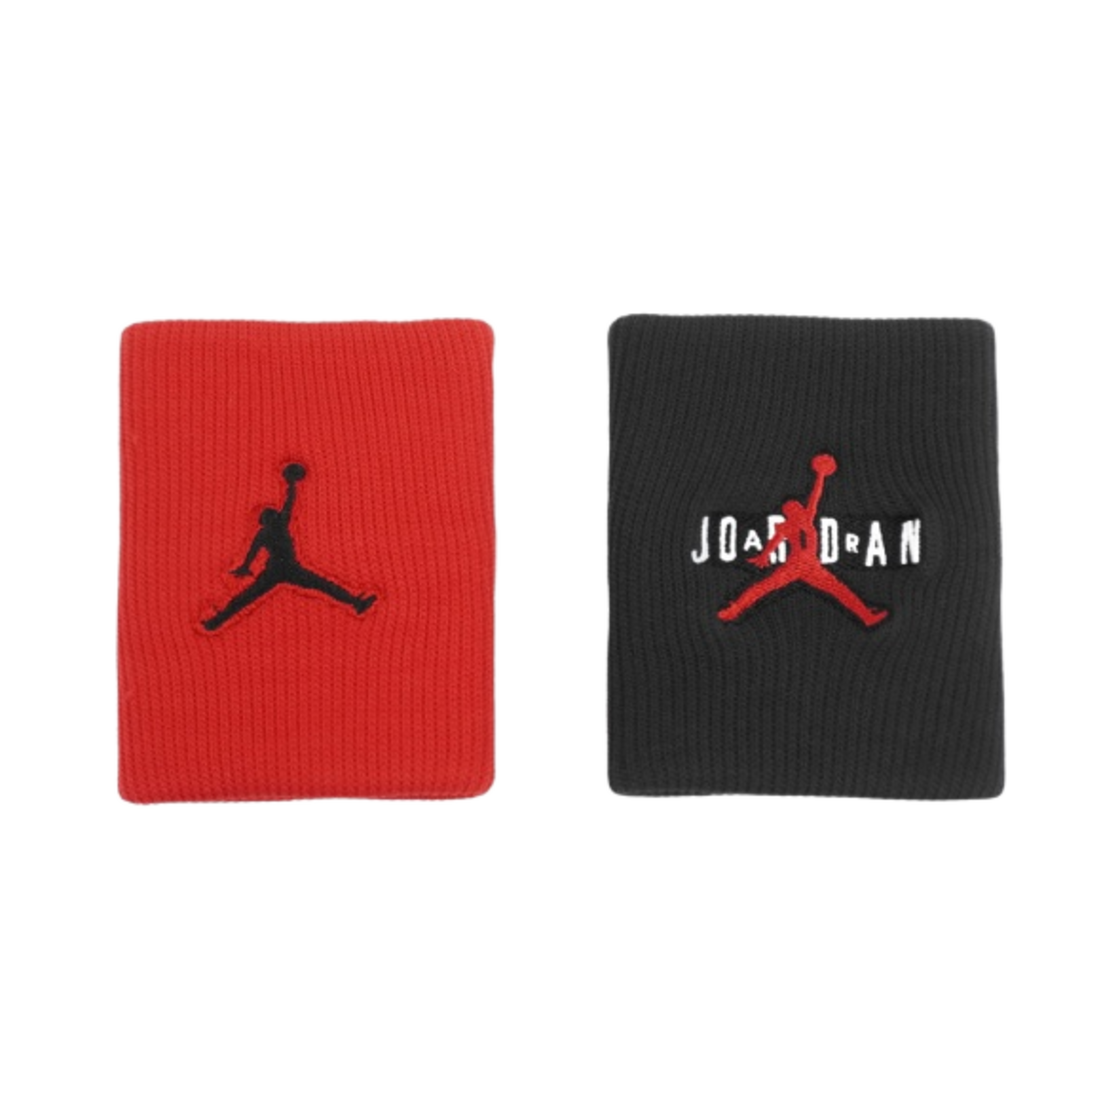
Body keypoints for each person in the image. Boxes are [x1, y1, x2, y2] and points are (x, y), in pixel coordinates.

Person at [718, 454, 888, 627]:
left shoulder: (808, 518)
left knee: (841, 591)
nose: (798, 509)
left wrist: (820, 476)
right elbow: (774, 542)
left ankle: (866, 616)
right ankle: (734, 609)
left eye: (798, 506)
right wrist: (764, 555)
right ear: (789, 513)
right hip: (794, 565)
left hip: (813, 566)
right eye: (793, 508)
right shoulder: (788, 526)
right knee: (762, 588)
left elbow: (815, 495)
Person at [203, 464, 375, 631]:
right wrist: (291, 483)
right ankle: (356, 603)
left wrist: (245, 566)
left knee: (247, 597)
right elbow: (288, 503)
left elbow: (252, 552)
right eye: (270, 514)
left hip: (277, 570)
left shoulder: (267, 531)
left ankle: (216, 621)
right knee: (323, 585)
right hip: (287, 569)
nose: (273, 515)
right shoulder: (278, 525)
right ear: (267, 519)